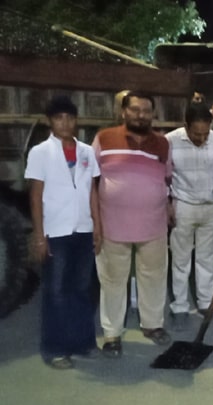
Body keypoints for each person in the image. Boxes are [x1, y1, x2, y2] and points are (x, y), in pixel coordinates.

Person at [93, 91, 173, 357]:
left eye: (146, 111)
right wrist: (95, 222)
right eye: (135, 110)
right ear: (124, 112)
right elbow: (91, 181)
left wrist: (168, 205)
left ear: (153, 114)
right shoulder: (104, 138)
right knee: (113, 280)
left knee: (154, 276)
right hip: (113, 225)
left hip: (153, 224)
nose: (141, 115)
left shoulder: (162, 143)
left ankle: (152, 325)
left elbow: (167, 179)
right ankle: (112, 333)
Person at [26, 96, 101, 369]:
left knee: (81, 288)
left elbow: (92, 191)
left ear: (76, 120)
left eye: (70, 118)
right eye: (59, 118)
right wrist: (39, 236)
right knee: (56, 290)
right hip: (56, 231)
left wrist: (98, 226)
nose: (65, 123)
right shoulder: (40, 152)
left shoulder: (86, 151)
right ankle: (55, 349)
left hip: (83, 229)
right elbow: (36, 196)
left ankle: (82, 342)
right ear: (50, 122)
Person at [165, 103, 213, 330]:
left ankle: (206, 303)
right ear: (186, 126)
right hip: (183, 205)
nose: (201, 138)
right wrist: (167, 204)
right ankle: (180, 306)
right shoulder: (170, 141)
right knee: (180, 260)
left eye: (205, 133)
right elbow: (164, 176)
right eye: (196, 134)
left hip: (210, 205)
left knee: (207, 258)